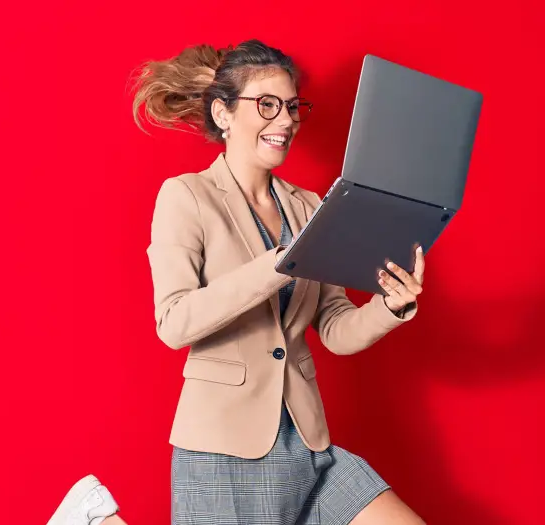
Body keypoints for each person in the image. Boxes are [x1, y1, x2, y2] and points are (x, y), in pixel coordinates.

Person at [47, 39, 427, 525]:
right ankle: (95, 519)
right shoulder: (187, 197)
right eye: (267, 105)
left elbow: (334, 325)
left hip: (310, 444)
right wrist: (275, 265)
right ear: (223, 114)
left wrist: (388, 306)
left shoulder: (311, 206)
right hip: (225, 450)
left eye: (291, 107)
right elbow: (175, 321)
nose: (285, 121)